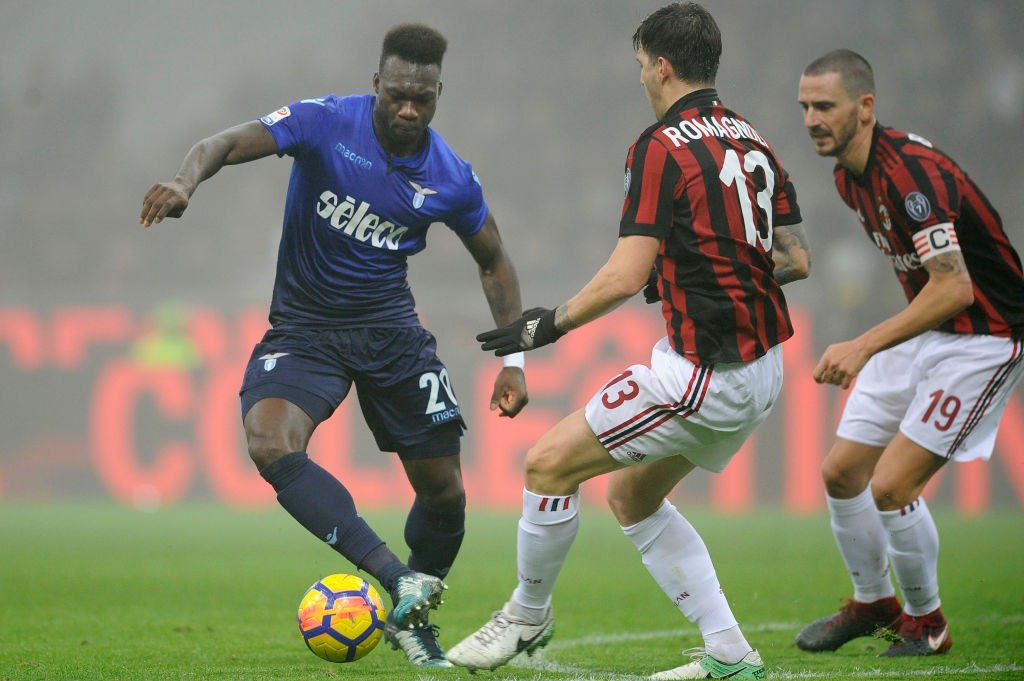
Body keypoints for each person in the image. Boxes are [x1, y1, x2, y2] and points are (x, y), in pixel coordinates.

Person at [138, 23, 530, 668]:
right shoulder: (324, 121)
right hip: (305, 329)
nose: (408, 109)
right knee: (268, 443)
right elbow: (225, 141)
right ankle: (392, 576)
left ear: (438, 95)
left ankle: (414, 617)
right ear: (377, 84)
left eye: (422, 99)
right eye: (398, 94)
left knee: (446, 495)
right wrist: (186, 182)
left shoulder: (451, 176)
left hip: (391, 334)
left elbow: (494, 262)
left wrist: (513, 359)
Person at [446, 4, 810, 679]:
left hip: (706, 373)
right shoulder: (753, 140)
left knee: (547, 464)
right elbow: (794, 256)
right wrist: (702, 268)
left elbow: (624, 273)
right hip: (764, 365)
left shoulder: (661, 146)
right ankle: (730, 651)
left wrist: (544, 325)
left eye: (642, 64)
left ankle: (527, 616)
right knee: (632, 497)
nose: (641, 76)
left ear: (663, 66)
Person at [795, 49, 1024, 658]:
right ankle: (874, 602)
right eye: (805, 108)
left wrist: (864, 343)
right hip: (935, 331)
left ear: (865, 108)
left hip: (985, 337)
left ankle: (929, 623)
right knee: (842, 473)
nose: (813, 119)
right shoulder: (849, 177)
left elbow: (954, 285)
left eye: (825, 106)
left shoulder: (909, 175)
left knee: (891, 485)